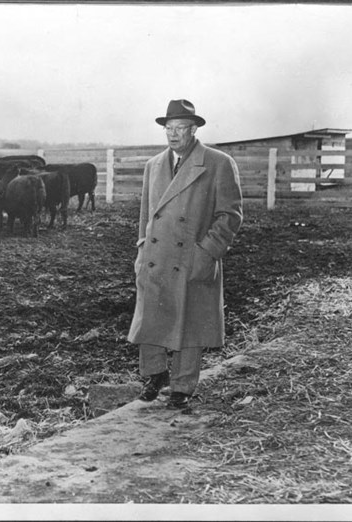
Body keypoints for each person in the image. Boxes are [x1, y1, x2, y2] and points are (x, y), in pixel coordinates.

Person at [127, 99, 243, 410]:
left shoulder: (217, 162)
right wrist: (141, 249)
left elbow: (230, 215)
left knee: (189, 322)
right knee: (151, 316)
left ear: (193, 130)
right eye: (169, 129)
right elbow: (146, 214)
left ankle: (182, 386)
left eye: (180, 128)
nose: (173, 134)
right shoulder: (153, 166)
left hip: (192, 256)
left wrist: (206, 253)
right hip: (155, 256)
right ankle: (154, 375)